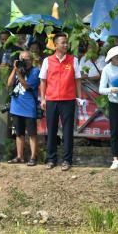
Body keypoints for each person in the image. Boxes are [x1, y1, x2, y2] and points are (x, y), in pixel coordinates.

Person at [39, 33, 82, 171]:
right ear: (55, 45)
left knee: (68, 131)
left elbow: (78, 80)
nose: (66, 45)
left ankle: (67, 160)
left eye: (66, 42)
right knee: (51, 130)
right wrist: (43, 99)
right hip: (51, 100)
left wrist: (79, 98)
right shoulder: (47, 60)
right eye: (63, 43)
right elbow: (43, 81)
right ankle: (51, 159)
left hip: (68, 100)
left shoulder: (73, 60)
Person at [7, 51, 40, 166]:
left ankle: (33, 157)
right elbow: (9, 84)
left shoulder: (35, 71)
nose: (25, 61)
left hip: (29, 106)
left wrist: (19, 74)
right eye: (23, 59)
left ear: (31, 60)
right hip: (16, 106)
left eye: (27, 59)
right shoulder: (18, 70)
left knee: (31, 133)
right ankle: (19, 156)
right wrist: (14, 69)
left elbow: (27, 86)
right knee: (19, 133)